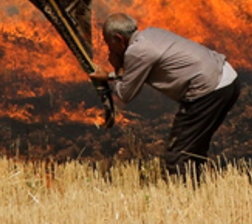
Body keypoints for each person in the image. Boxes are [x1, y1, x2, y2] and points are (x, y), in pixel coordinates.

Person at [90, 13, 240, 179]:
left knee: (178, 154)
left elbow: (125, 94)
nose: (108, 48)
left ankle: (186, 197)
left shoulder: (136, 52)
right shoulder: (151, 34)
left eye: (107, 42)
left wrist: (118, 67)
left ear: (119, 39)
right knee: (194, 148)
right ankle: (198, 189)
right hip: (227, 79)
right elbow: (137, 73)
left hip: (209, 91)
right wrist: (109, 77)